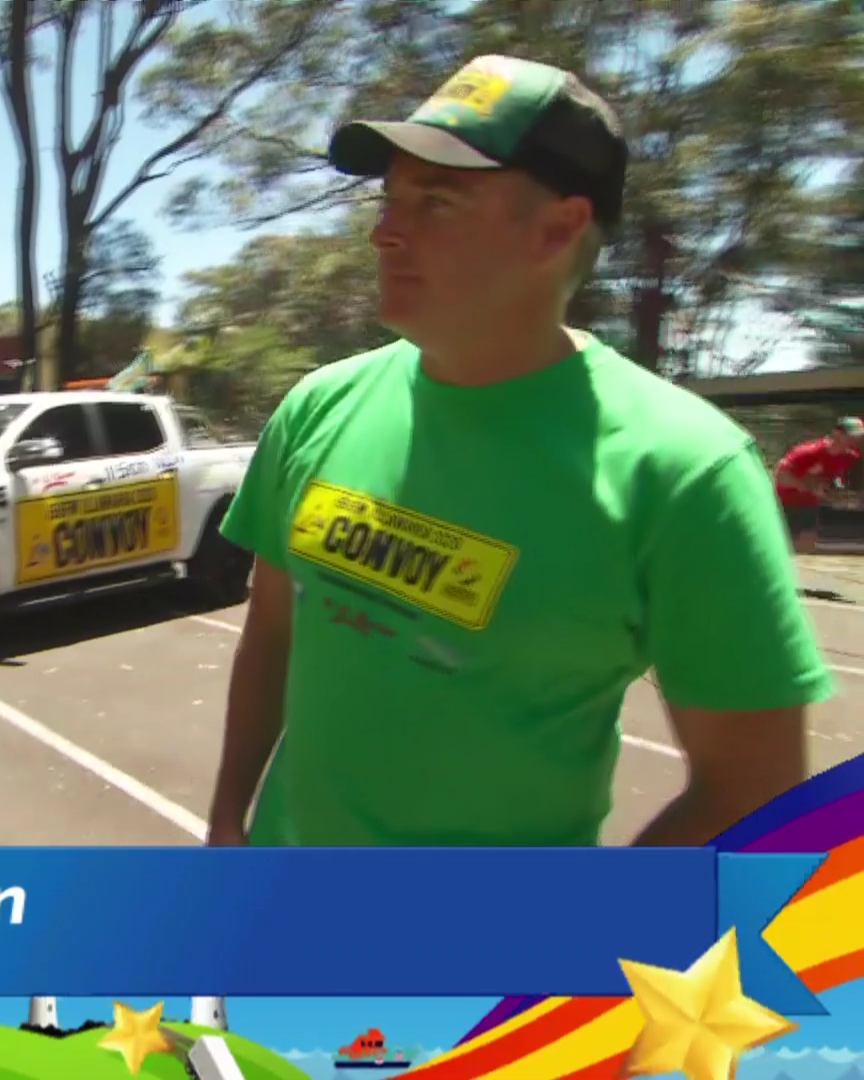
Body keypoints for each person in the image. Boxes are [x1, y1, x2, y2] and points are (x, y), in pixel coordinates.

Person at [204, 55, 820, 849]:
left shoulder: (687, 474)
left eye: (436, 202)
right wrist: (228, 816)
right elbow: (273, 631)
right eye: (390, 200)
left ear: (557, 230)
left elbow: (754, 791)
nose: (384, 232)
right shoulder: (317, 407)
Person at [773, 418, 863, 554]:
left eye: (858, 437)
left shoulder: (850, 457)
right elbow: (780, 475)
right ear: (837, 434)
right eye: (852, 436)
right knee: (779, 545)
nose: (855, 440)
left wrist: (831, 494)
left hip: (809, 505)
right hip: (784, 503)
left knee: (806, 547)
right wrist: (807, 486)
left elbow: (828, 481)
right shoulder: (809, 452)